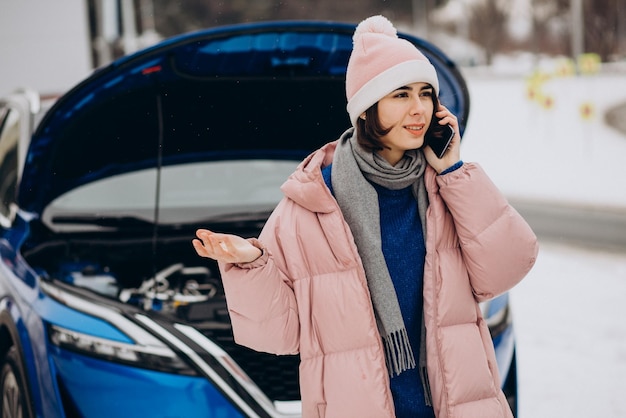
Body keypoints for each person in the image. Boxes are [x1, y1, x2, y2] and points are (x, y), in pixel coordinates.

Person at [193, 15, 538, 418]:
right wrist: (252, 264)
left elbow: (508, 266)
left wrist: (453, 170)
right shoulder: (311, 204)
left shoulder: (446, 189)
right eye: (401, 95)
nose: (419, 109)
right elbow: (280, 334)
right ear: (367, 107)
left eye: (426, 94)